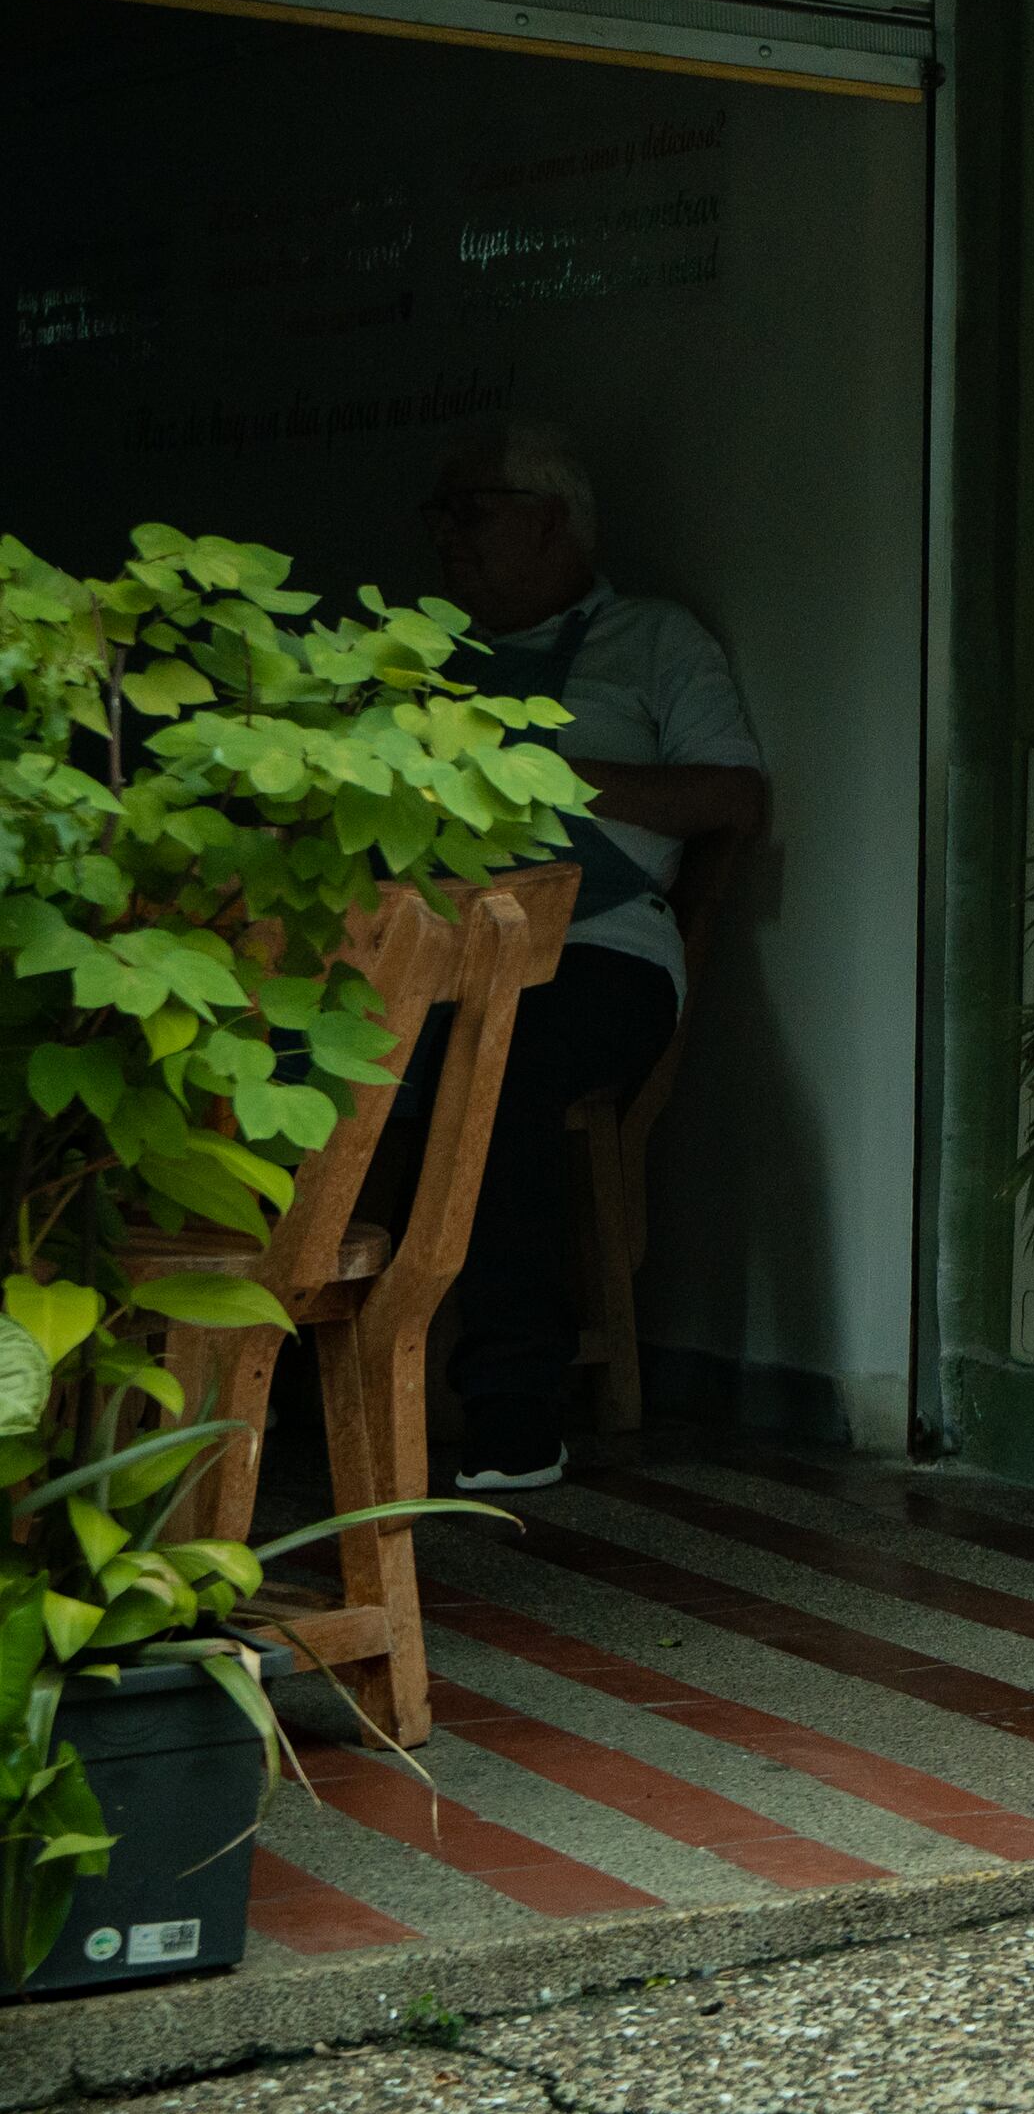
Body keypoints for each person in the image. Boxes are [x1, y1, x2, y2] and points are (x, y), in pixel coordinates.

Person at [420, 426, 770, 1492]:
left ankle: (514, 1409)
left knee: (500, 1055)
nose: (447, 536)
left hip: (599, 950)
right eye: (441, 515)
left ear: (548, 521)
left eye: (470, 511)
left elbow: (734, 797)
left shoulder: (654, 638)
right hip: (430, 950)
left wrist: (551, 776)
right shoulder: (424, 655)